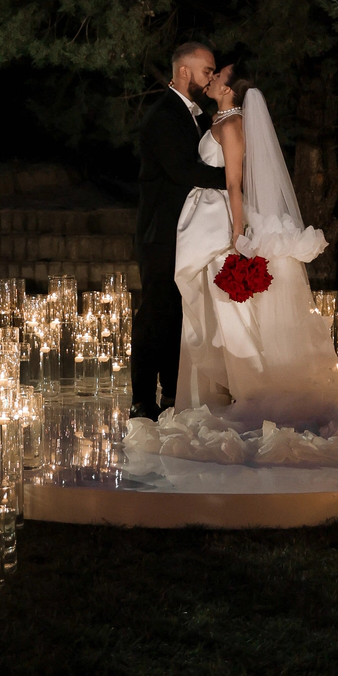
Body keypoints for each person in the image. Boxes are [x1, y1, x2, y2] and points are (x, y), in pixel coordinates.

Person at [172, 66, 338, 433]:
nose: (212, 77)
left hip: (220, 222)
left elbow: (234, 183)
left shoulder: (231, 124)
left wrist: (237, 235)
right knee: (219, 309)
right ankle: (227, 387)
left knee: (229, 310)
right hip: (207, 218)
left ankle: (250, 388)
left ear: (230, 89)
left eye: (218, 75)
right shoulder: (222, 119)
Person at [130, 42, 227, 420]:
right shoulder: (163, 115)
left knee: (179, 314)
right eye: (207, 71)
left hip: (189, 231)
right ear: (184, 71)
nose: (211, 78)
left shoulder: (198, 117)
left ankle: (173, 391)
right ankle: (142, 398)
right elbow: (183, 170)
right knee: (156, 313)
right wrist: (234, 179)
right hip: (162, 231)